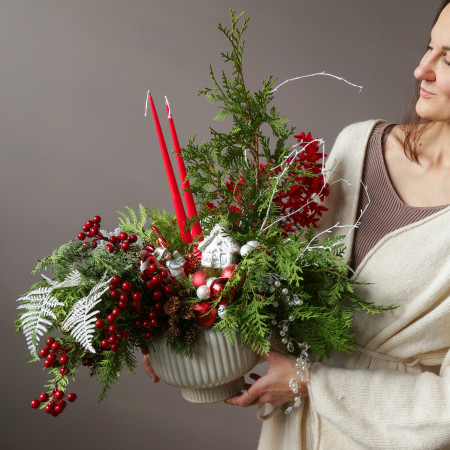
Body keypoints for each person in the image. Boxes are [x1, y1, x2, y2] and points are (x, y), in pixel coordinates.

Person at [144, 1, 450, 448]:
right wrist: (185, 330)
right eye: (429, 45)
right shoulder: (359, 145)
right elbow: (286, 289)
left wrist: (312, 381)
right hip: (294, 433)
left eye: (449, 58)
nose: (421, 68)